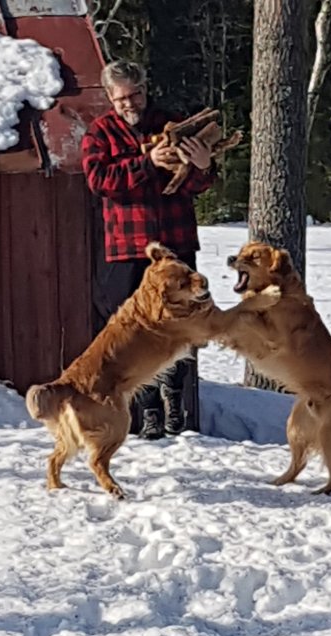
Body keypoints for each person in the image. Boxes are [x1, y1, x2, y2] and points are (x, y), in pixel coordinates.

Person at [81, 59, 215, 440]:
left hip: (175, 243)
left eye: (136, 94)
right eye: (122, 98)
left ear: (145, 89)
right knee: (135, 332)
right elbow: (100, 181)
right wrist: (147, 163)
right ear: (109, 97)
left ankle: (176, 403)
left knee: (183, 323)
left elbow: (198, 184)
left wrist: (203, 166)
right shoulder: (99, 133)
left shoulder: (172, 124)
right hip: (129, 248)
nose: (130, 103)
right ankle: (147, 409)